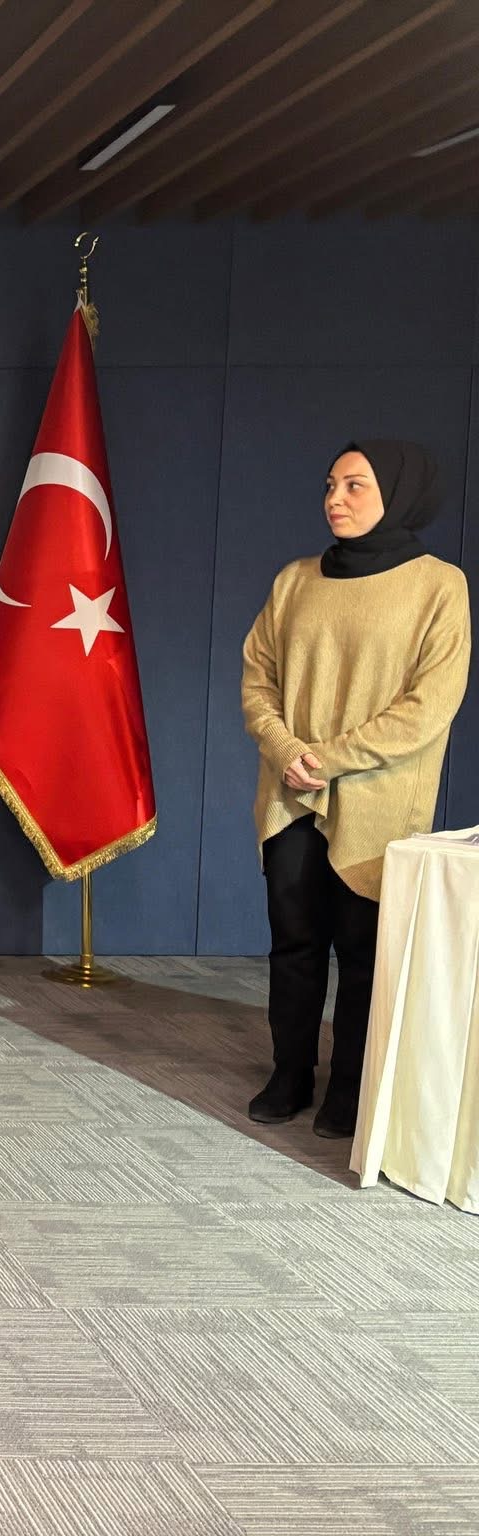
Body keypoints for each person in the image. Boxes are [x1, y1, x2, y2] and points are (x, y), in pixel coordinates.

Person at [241, 440, 470, 1138]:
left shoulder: (439, 586)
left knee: (364, 952)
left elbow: (429, 707)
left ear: (397, 493)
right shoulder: (294, 581)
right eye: (330, 484)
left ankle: (350, 1084)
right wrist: (288, 751)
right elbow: (258, 679)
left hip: (379, 802)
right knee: (293, 941)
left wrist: (331, 759)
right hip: (292, 794)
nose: (334, 499)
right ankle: (290, 1072)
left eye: (354, 485)